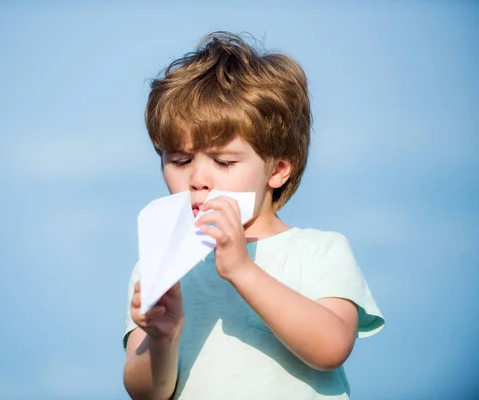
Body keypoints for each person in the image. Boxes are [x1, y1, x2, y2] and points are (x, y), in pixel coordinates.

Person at [122, 31, 385, 400]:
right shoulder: (161, 260)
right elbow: (145, 392)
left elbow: (331, 349)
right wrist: (162, 337)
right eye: (179, 161)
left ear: (277, 169)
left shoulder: (318, 251)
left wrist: (242, 270)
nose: (198, 179)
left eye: (224, 162)